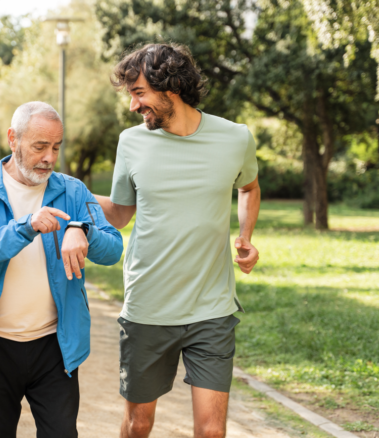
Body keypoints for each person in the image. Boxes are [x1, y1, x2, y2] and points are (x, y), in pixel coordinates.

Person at [94, 44, 261, 438]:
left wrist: (246, 237)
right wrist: (68, 192)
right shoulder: (131, 142)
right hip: (148, 306)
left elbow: (249, 187)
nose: (134, 106)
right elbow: (119, 214)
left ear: (170, 88)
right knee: (139, 424)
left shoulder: (235, 138)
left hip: (212, 308)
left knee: (211, 431)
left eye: (138, 93)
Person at [0, 101, 123, 438]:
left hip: (54, 346)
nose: (50, 158)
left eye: (56, 147)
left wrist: (82, 228)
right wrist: (24, 227)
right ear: (13, 139)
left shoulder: (73, 191)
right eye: (40, 146)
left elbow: (113, 247)